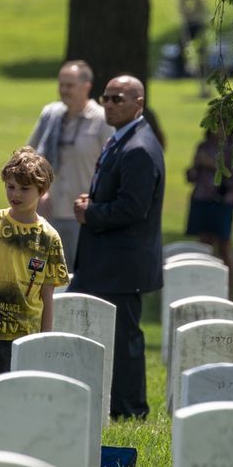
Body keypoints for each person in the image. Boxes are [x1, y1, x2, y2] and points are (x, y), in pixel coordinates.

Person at [0, 147, 69, 450]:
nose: (15, 193)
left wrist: (45, 339)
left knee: (10, 395)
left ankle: (6, 452)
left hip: (24, 331)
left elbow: (48, 293)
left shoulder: (49, 237)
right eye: (10, 186)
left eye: (24, 188)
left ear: (42, 191)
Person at [70, 75, 165, 420]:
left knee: (124, 341)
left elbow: (133, 208)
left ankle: (131, 411)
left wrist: (89, 212)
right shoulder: (122, 139)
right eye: (106, 98)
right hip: (105, 262)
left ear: (138, 103)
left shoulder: (138, 148)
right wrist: (93, 201)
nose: (109, 104)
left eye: (118, 99)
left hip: (122, 266)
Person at [26, 60, 113, 266]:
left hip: (82, 216)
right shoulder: (50, 115)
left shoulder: (101, 119)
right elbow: (29, 157)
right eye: (61, 84)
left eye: (70, 85)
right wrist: (39, 190)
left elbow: (112, 168)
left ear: (87, 86)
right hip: (47, 214)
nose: (64, 90)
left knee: (77, 274)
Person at [186, 128, 233, 293]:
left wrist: (211, 163)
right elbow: (193, 176)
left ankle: (229, 291)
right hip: (201, 198)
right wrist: (194, 167)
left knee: (224, 245)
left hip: (223, 200)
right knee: (203, 244)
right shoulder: (204, 145)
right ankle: (204, 286)